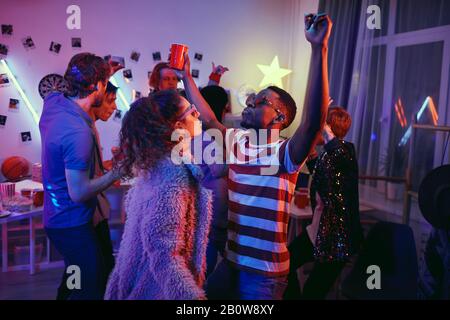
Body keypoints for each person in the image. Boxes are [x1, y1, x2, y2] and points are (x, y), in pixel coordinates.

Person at [179, 13, 332, 300]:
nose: (249, 104)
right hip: (232, 262)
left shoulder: (284, 153)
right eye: (251, 99)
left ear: (280, 116)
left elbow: (313, 122)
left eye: (260, 101)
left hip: (263, 274)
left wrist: (317, 49)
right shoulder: (238, 142)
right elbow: (210, 120)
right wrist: (186, 78)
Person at [105, 90, 212, 300]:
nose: (198, 114)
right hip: (155, 291)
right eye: (191, 112)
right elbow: (164, 253)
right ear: (178, 127)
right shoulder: (173, 174)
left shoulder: (156, 164)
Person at [39, 52, 122, 300]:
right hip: (72, 223)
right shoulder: (77, 132)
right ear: (96, 86)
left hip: (57, 218)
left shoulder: (53, 104)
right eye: (104, 84)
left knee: (76, 280)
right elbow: (79, 192)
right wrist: (118, 171)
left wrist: (104, 74)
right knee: (90, 289)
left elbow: (55, 88)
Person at [284, 107, 363, 299]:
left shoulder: (346, 153)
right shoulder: (327, 158)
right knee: (283, 266)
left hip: (337, 240)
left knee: (313, 294)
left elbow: (337, 153)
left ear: (327, 129)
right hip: (316, 233)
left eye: (317, 127)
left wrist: (322, 121)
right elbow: (315, 165)